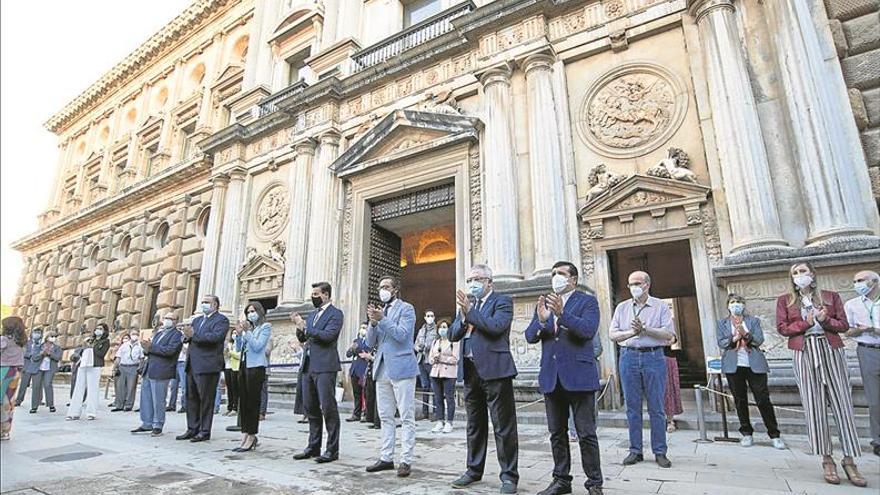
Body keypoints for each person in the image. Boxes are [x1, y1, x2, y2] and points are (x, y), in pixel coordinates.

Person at [777, 262, 865, 487]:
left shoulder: (830, 297)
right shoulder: (786, 301)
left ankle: (849, 459)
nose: (799, 275)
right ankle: (827, 459)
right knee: (813, 404)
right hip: (804, 350)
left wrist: (826, 320)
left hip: (830, 347)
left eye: (803, 271)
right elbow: (783, 328)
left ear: (812, 274)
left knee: (842, 402)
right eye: (795, 273)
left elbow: (844, 325)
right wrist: (804, 324)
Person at [525, 261, 603, 495]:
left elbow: (588, 331)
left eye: (560, 274)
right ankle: (561, 480)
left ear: (573, 279)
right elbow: (530, 336)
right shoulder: (545, 303)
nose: (555, 277)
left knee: (586, 434)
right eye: (552, 274)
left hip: (579, 376)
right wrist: (540, 320)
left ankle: (594, 483)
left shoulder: (587, 302)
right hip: (552, 377)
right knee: (557, 434)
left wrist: (562, 314)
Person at [449, 264, 519, 494]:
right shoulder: (467, 306)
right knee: (474, 425)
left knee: (503, 426)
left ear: (489, 282)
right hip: (470, 372)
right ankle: (473, 470)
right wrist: (462, 315)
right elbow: (452, 334)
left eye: (477, 279)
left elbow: (495, 327)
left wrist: (471, 312)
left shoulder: (502, 301)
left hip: (495, 370)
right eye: (470, 280)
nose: (472, 284)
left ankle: (509, 476)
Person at [609, 270, 674, 468]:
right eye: (630, 284)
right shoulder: (622, 307)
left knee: (656, 407)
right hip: (628, 357)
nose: (634, 287)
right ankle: (635, 450)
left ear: (647, 284)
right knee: (632, 407)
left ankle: (660, 451)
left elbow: (668, 334)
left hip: (653, 356)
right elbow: (613, 334)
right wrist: (632, 332)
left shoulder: (660, 306)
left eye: (637, 283)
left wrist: (645, 330)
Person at [364, 276, 418, 478]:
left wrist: (382, 320)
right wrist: (372, 323)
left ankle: (406, 460)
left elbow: (402, 335)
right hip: (382, 368)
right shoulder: (380, 313)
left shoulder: (406, 309)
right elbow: (370, 342)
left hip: (402, 366)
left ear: (395, 289)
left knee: (406, 415)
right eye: (380, 287)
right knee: (385, 416)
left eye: (386, 287)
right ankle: (386, 457)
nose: (382, 290)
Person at [716, 294, 785, 449]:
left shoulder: (753, 321)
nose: (736, 305)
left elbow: (759, 340)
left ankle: (774, 434)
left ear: (744, 304)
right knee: (739, 400)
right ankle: (746, 433)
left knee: (762, 399)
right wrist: (734, 338)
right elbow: (721, 342)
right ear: (728, 305)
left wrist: (745, 334)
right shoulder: (723, 323)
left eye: (739, 302)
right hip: (734, 364)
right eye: (733, 302)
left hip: (754, 362)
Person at [291, 281, 343, 463]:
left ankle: (332, 449)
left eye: (316, 294)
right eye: (312, 294)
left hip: (325, 366)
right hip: (308, 366)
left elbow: (328, 336)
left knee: (328, 408)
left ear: (326, 295)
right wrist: (300, 329)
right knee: (311, 408)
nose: (313, 297)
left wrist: (305, 327)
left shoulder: (336, 314)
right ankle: (313, 446)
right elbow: (305, 337)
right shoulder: (312, 314)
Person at [176, 294, 229, 442]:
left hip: (208, 366)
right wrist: (186, 336)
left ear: (215, 305)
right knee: (191, 398)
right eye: (202, 302)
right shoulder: (197, 320)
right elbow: (189, 338)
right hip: (192, 364)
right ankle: (192, 428)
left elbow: (215, 338)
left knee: (206, 400)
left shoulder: (221, 320)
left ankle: (204, 431)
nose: (203, 304)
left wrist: (194, 335)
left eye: (207, 302)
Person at [845, 270, 880, 457]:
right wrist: (856, 332)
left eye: (861, 280)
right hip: (867, 350)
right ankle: (878, 440)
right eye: (855, 280)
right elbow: (847, 331)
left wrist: (873, 329)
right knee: (874, 399)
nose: (857, 284)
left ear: (874, 281)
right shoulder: (852, 305)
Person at [132, 312, 183, 436]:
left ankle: (158, 424)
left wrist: (151, 347)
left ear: (176, 321)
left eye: (170, 318)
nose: (166, 320)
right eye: (165, 318)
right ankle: (146, 423)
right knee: (146, 397)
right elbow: (151, 350)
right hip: (149, 368)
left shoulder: (177, 335)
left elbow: (170, 351)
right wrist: (145, 348)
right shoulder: (159, 333)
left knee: (158, 399)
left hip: (162, 370)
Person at [233, 301, 272, 452]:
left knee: (253, 404)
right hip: (244, 366)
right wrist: (238, 334)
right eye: (248, 312)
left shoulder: (265, 327)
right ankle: (244, 434)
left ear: (259, 312)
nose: (250, 314)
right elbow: (239, 348)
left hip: (256, 368)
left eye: (253, 311)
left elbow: (257, 346)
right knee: (243, 403)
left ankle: (252, 435)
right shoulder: (249, 329)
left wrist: (247, 332)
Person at [66, 324, 110, 420]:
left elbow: (101, 354)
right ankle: (74, 412)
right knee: (78, 388)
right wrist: (84, 346)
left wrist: (92, 347)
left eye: (100, 329)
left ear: (104, 331)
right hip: (83, 364)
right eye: (96, 328)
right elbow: (81, 352)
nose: (98, 330)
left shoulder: (105, 341)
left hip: (94, 366)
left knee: (93, 389)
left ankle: (91, 412)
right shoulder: (89, 339)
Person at [429, 319, 458, 434]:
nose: (442, 329)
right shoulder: (435, 342)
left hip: (449, 373)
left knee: (449, 397)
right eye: (440, 327)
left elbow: (455, 359)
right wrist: (434, 359)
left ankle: (449, 422)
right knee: (438, 398)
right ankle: (440, 421)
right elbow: (430, 358)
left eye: (445, 327)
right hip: (436, 372)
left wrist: (443, 359)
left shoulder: (453, 341)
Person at [1, 316, 27, 441]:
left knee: (1, 402)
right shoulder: (20, 341)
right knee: (9, 403)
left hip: (4, 371)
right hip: (15, 372)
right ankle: (5, 431)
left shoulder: (4, 340)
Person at [30, 330, 62, 413]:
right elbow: (34, 357)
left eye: (55, 336)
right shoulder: (39, 346)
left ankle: (51, 405)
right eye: (51, 336)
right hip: (38, 368)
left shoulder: (57, 347)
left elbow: (58, 357)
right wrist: (41, 353)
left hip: (49, 369)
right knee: (36, 386)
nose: (53, 338)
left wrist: (49, 354)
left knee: (48, 385)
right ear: (47, 337)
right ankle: (34, 406)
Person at [112, 331, 144, 412]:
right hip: (123, 366)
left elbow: (142, 358)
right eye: (133, 334)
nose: (135, 336)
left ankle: (129, 405)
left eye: (136, 334)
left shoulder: (140, 346)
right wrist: (115, 368)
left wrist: (140, 368)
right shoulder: (124, 345)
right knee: (120, 386)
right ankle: (119, 405)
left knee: (131, 387)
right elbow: (118, 357)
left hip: (133, 367)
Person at [415, 310, 438, 421]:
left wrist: (430, 347)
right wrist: (418, 348)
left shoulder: (437, 330)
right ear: (424, 317)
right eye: (428, 315)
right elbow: (415, 344)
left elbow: (439, 344)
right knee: (424, 386)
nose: (430, 317)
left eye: (431, 315)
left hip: (431, 361)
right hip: (421, 361)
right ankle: (424, 411)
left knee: (434, 386)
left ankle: (435, 411)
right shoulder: (421, 330)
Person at [345, 322, 370, 422]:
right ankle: (356, 414)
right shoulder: (356, 340)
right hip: (354, 369)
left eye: (364, 328)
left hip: (363, 369)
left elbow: (366, 350)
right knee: (356, 394)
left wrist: (358, 348)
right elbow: (348, 354)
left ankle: (366, 413)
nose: (362, 329)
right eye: (361, 327)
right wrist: (352, 348)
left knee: (366, 394)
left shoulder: (369, 340)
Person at [14, 327, 43, 407]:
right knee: (23, 385)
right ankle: (19, 400)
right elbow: (23, 352)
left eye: (39, 332)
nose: (37, 334)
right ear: (32, 333)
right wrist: (30, 355)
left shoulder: (42, 343)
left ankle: (38, 400)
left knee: (37, 385)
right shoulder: (27, 343)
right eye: (35, 332)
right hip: (27, 367)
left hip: (37, 367)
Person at [663, 344, 682, 433]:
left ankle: (670, 420)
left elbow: (672, 339)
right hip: (650, 357)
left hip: (666, 357)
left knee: (669, 389)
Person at [223, 328, 241, 416]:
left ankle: (235, 407)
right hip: (228, 366)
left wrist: (231, 353)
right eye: (233, 333)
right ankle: (229, 407)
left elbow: (239, 355)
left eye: (235, 332)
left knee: (235, 389)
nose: (234, 334)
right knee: (229, 388)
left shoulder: (239, 343)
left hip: (235, 367)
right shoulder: (229, 344)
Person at [167, 340, 188, 412]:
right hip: (175, 362)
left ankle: (184, 405)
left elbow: (187, 352)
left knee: (184, 386)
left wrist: (182, 346)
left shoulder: (187, 342)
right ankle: (172, 405)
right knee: (173, 386)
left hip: (183, 362)